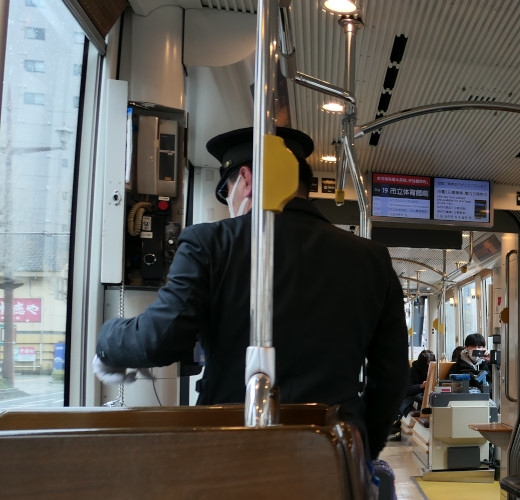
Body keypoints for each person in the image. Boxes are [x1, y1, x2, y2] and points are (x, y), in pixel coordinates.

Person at [93, 126, 409, 459]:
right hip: (335, 452)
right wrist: (362, 448)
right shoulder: (371, 258)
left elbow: (159, 337)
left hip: (230, 451)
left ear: (245, 179)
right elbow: (391, 375)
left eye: (226, 190)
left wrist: (107, 340)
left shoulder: (209, 243)